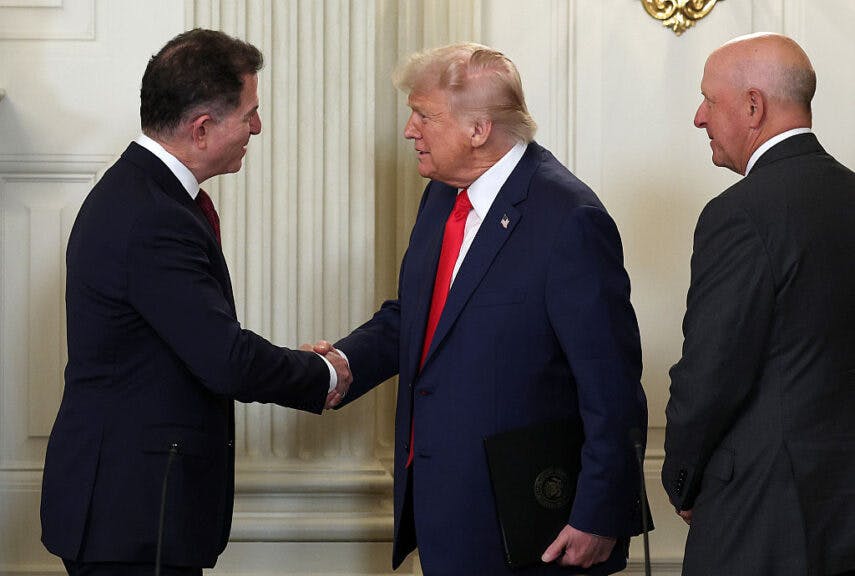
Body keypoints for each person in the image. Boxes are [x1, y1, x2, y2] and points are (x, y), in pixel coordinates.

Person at [312, 43, 649, 575]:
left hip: (532, 526)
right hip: (446, 511)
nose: (409, 130)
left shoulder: (569, 218)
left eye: (423, 115)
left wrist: (600, 516)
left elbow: (612, 384)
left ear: (478, 129)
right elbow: (421, 315)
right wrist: (344, 363)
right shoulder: (442, 197)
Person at [40, 28, 351, 576]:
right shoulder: (153, 215)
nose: (258, 127)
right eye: (250, 114)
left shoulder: (143, 194)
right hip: (132, 517)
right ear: (202, 128)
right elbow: (225, 360)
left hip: (131, 509)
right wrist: (321, 374)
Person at [662, 33, 855, 576]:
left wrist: (681, 480)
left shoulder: (738, 215)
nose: (699, 117)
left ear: (753, 107)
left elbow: (710, 375)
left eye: (709, 99)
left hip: (762, 524)